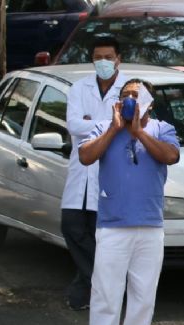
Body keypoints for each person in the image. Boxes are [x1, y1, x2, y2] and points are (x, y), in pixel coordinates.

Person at [78, 79, 180, 325]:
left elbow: (170, 156)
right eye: (125, 95)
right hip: (113, 224)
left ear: (150, 101)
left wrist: (138, 132)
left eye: (136, 95)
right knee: (106, 290)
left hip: (150, 223)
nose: (130, 100)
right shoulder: (105, 127)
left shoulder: (161, 128)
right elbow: (86, 156)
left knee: (144, 290)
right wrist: (115, 129)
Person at [62, 36, 127, 311]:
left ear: (118, 59)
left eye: (108, 57)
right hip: (80, 174)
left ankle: (84, 292)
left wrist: (93, 124)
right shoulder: (79, 87)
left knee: (103, 238)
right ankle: (105, 285)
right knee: (72, 228)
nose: (103, 62)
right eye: (98, 57)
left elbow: (128, 125)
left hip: (111, 174)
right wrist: (109, 126)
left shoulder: (129, 89)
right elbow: (74, 125)